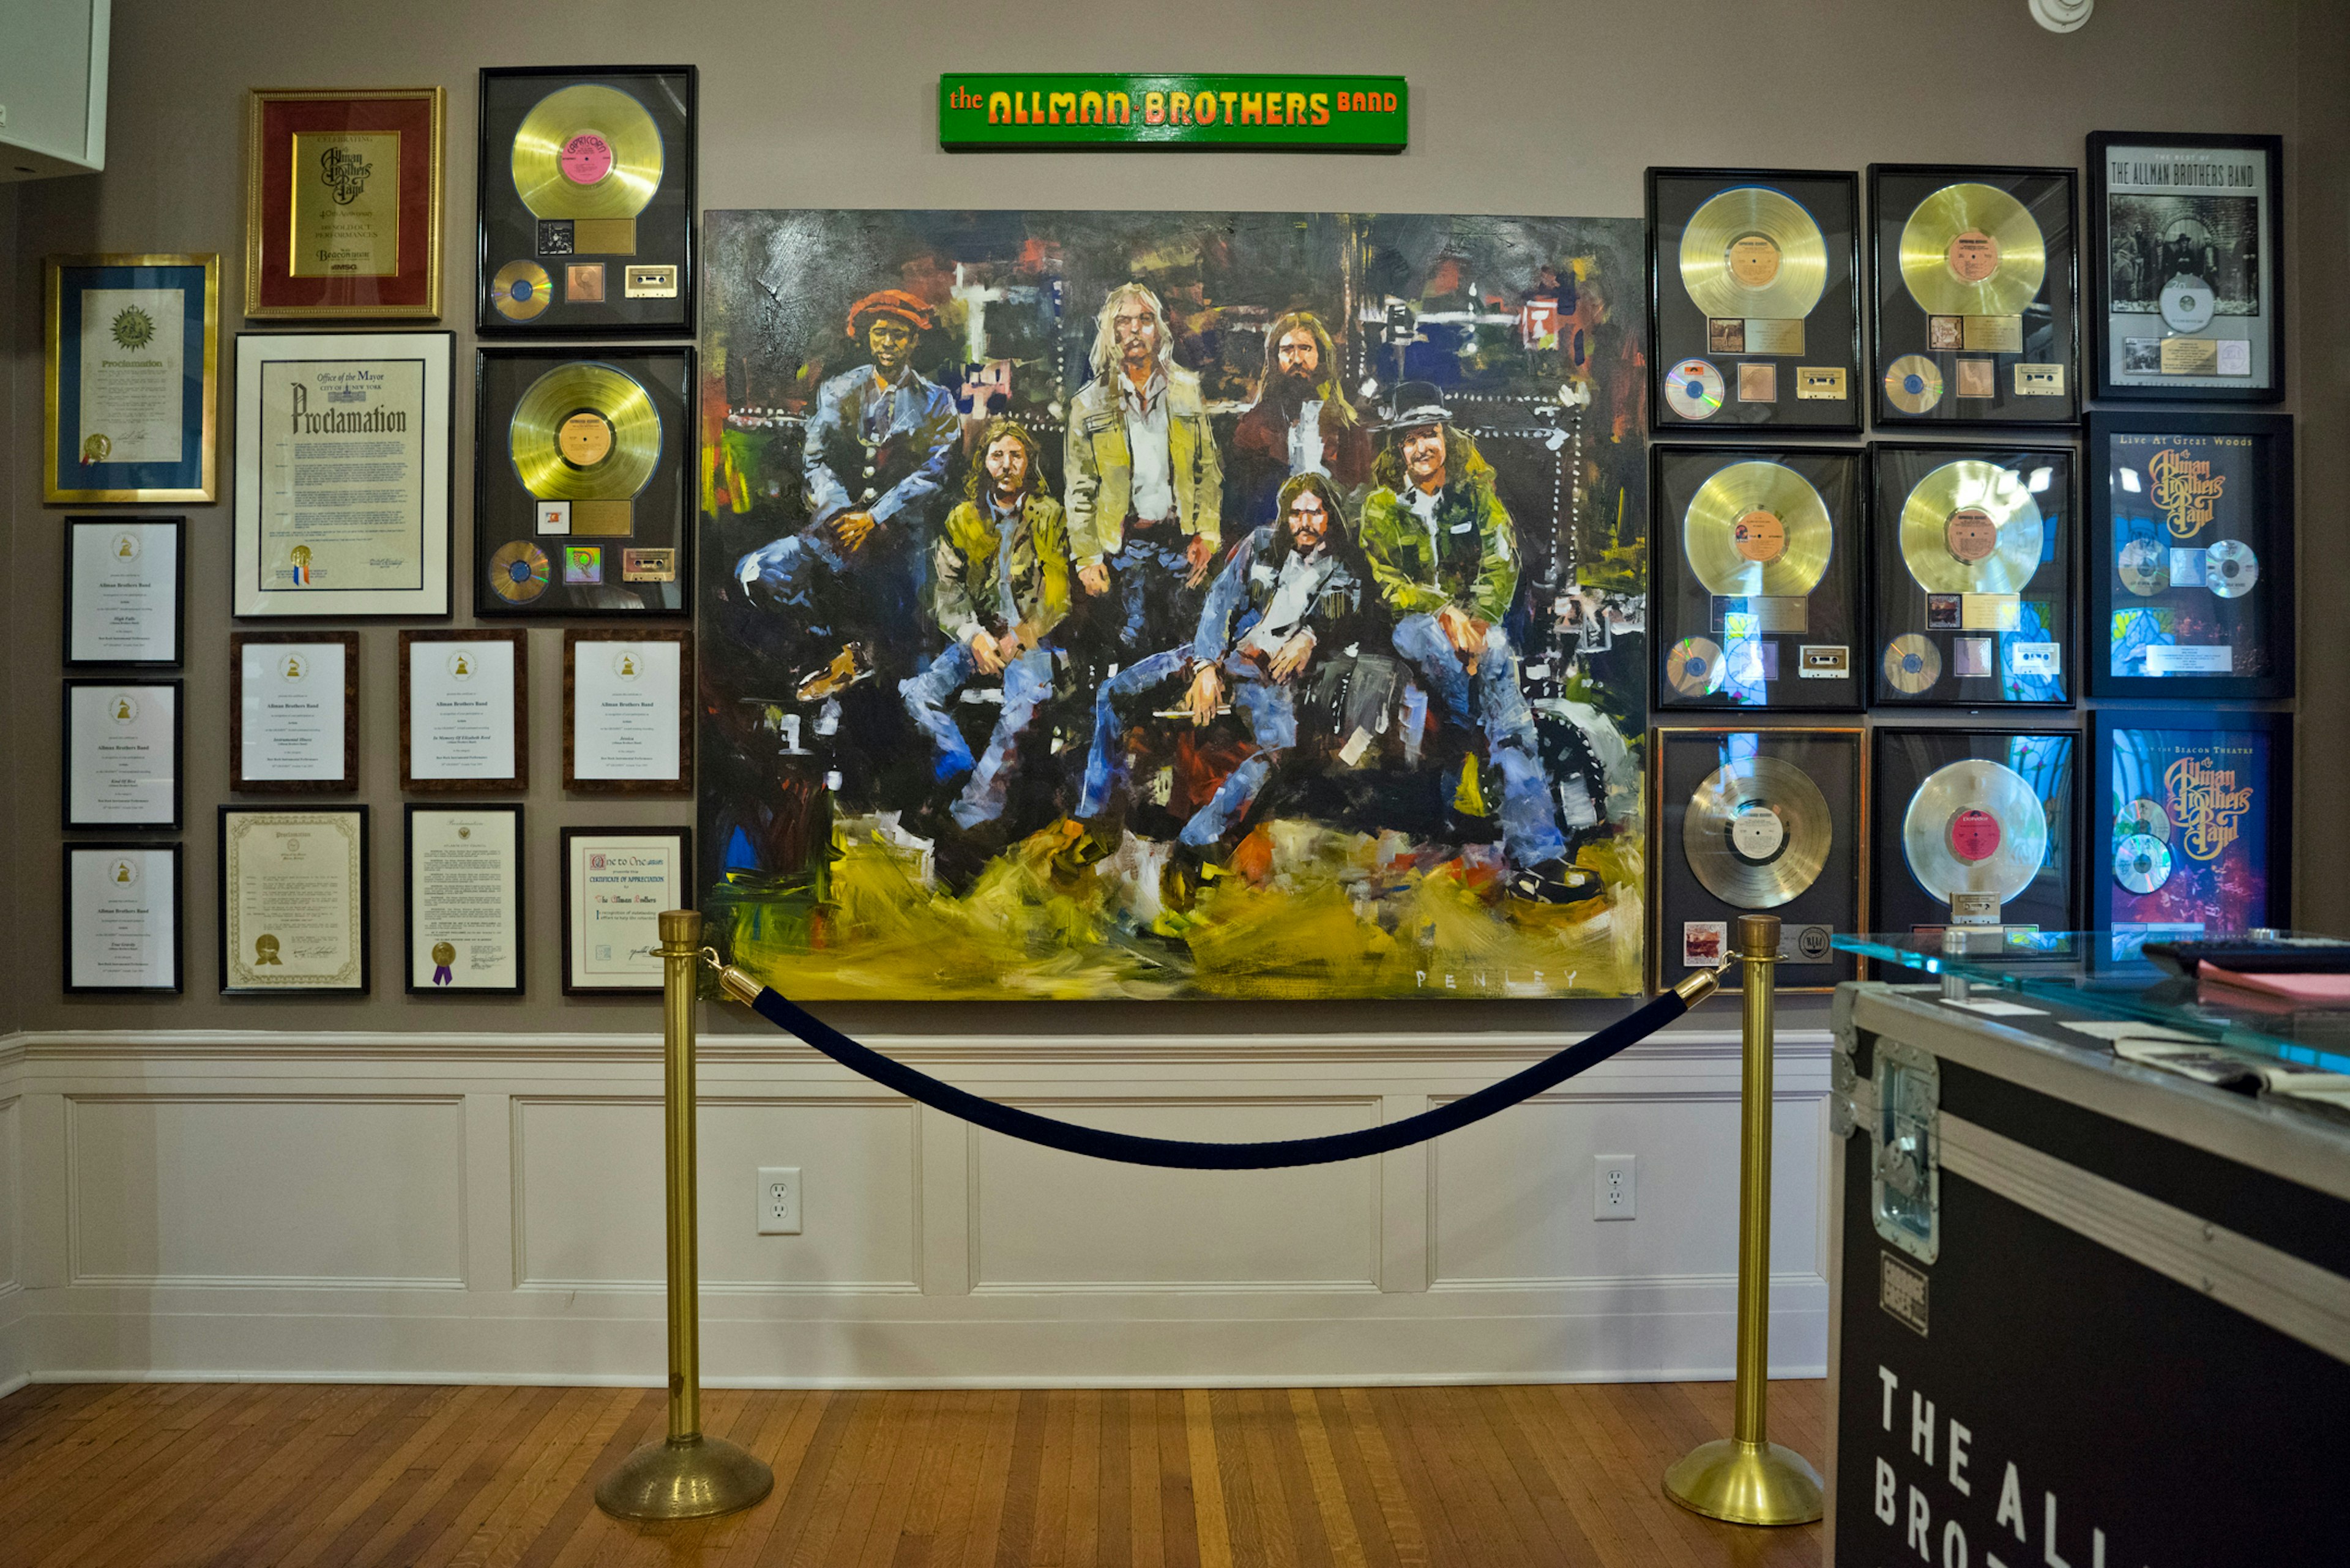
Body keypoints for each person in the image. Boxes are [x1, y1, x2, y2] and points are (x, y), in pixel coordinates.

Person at [1357, 383, 1597, 905]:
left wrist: (1479, 622)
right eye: (1412, 438)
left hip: (1478, 630)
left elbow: (1500, 563)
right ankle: (1489, 778)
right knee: (1486, 693)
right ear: (1398, 446)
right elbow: (1388, 583)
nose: (1423, 447)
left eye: (1432, 434)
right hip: (1414, 623)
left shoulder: (1476, 496)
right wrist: (1444, 614)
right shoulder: (1379, 507)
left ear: (1448, 438)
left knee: (1506, 703)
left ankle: (1538, 861)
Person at [735, 289, 960, 692]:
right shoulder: (837, 390)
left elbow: (932, 474)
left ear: (915, 340)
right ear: (867, 337)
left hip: (901, 545)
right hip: (833, 533)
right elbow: (815, 460)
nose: (888, 343)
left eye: (898, 334)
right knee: (757, 571)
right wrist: (838, 512)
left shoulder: (937, 402)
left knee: (908, 652)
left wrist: (874, 517)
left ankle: (868, 662)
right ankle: (832, 648)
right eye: (880, 333)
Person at [899, 417, 1072, 834]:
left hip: (1035, 644)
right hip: (977, 638)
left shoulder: (1049, 516)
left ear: (1029, 463)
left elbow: (1058, 594)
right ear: (985, 464)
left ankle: (974, 814)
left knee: (1021, 710)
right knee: (916, 695)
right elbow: (946, 592)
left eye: (1016, 455)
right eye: (998, 456)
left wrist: (1020, 637)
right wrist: (973, 636)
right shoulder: (962, 519)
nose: (1007, 465)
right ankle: (957, 765)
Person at [1064, 282, 1222, 655]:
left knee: (1187, 647)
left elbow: (1208, 471)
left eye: (1145, 320)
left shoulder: (1186, 391)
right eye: (1124, 322)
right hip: (1122, 550)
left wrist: (1208, 535)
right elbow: (1080, 489)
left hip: (1180, 543)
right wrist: (1087, 558)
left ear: (1159, 330)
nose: (1135, 330)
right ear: (1110, 332)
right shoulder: (1087, 404)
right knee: (1130, 648)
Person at [1227, 311, 1372, 528]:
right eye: (1287, 350)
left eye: (1305, 349)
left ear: (1321, 356)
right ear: (1275, 360)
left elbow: (1361, 496)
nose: (1297, 359)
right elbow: (1239, 506)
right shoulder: (1254, 426)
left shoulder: (1346, 427)